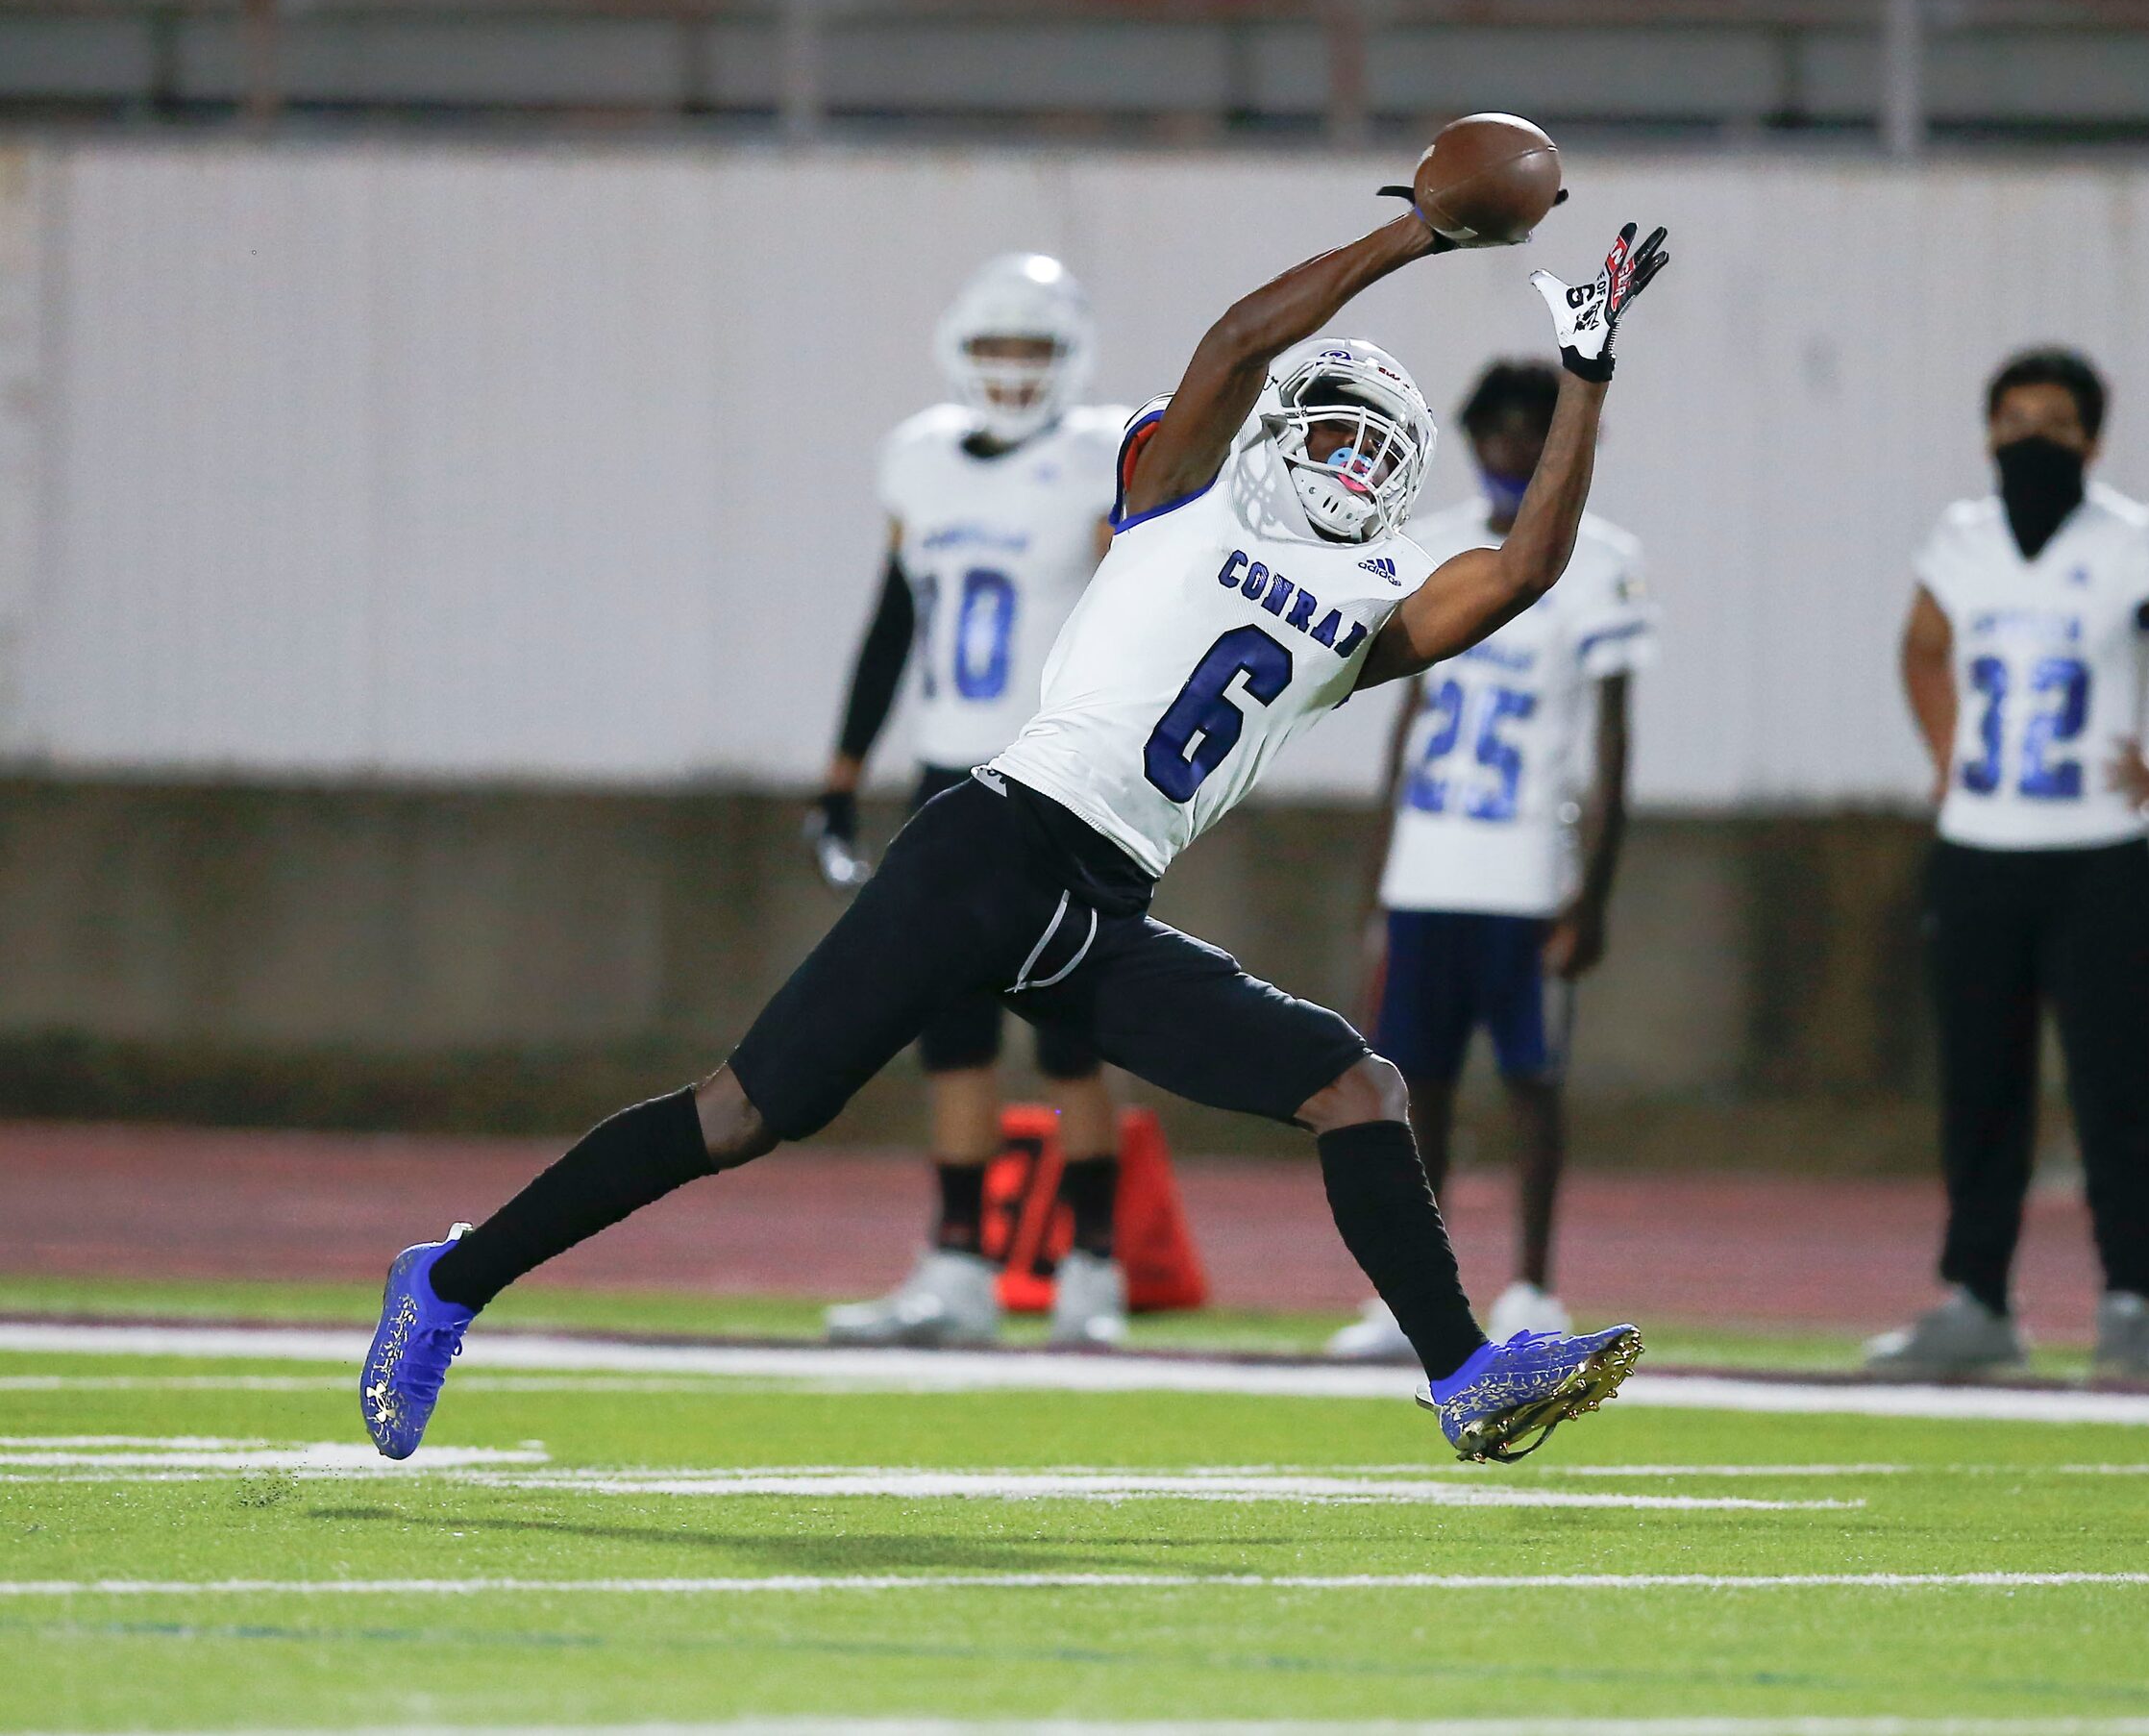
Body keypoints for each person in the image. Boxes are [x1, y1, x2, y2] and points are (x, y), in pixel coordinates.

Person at [359, 193, 1672, 1466]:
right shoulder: (1177, 489)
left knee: (1352, 1083)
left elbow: (1520, 571)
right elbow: (1233, 341)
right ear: (1278, 432)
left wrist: (1584, 372)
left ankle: (1461, 1376)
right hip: (987, 846)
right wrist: (1416, 235)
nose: (1348, 464)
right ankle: (451, 1281)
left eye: (1374, 452)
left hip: (1098, 905)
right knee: (742, 1114)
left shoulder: (1364, 610)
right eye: (1331, 433)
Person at [1869, 345, 2149, 1384]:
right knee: (1979, 1092)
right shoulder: (1960, 538)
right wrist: (1944, 753)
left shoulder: (2133, 540)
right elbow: (1919, 647)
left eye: (2052, 423)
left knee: (2111, 1093)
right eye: (2010, 420)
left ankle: (2129, 1298)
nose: (2028, 440)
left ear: (2091, 441)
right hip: (1977, 853)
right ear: (1985, 434)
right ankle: (1977, 1300)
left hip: (2096, 858)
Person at [804, 253, 1131, 1352]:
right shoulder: (918, 459)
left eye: (1033, 347)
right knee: (952, 1033)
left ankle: (1092, 1269)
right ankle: (958, 1267)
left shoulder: (1104, 460)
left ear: (1070, 356)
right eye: (995, 345)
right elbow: (891, 621)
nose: (1012, 368)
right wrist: (844, 769)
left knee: (1070, 1031)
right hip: (944, 776)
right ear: (957, 348)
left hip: (1055, 778)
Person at [1328, 359, 1654, 1359]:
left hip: (1523, 868)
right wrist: (1377, 870)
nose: (1514, 449)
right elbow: (1409, 715)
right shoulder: (1428, 544)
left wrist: (1589, 895)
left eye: (1533, 430)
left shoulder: (1600, 558)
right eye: (1498, 432)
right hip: (1427, 865)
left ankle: (1530, 1285)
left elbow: (1609, 743)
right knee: (1408, 1084)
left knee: (1530, 1083)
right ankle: (1418, 1292)